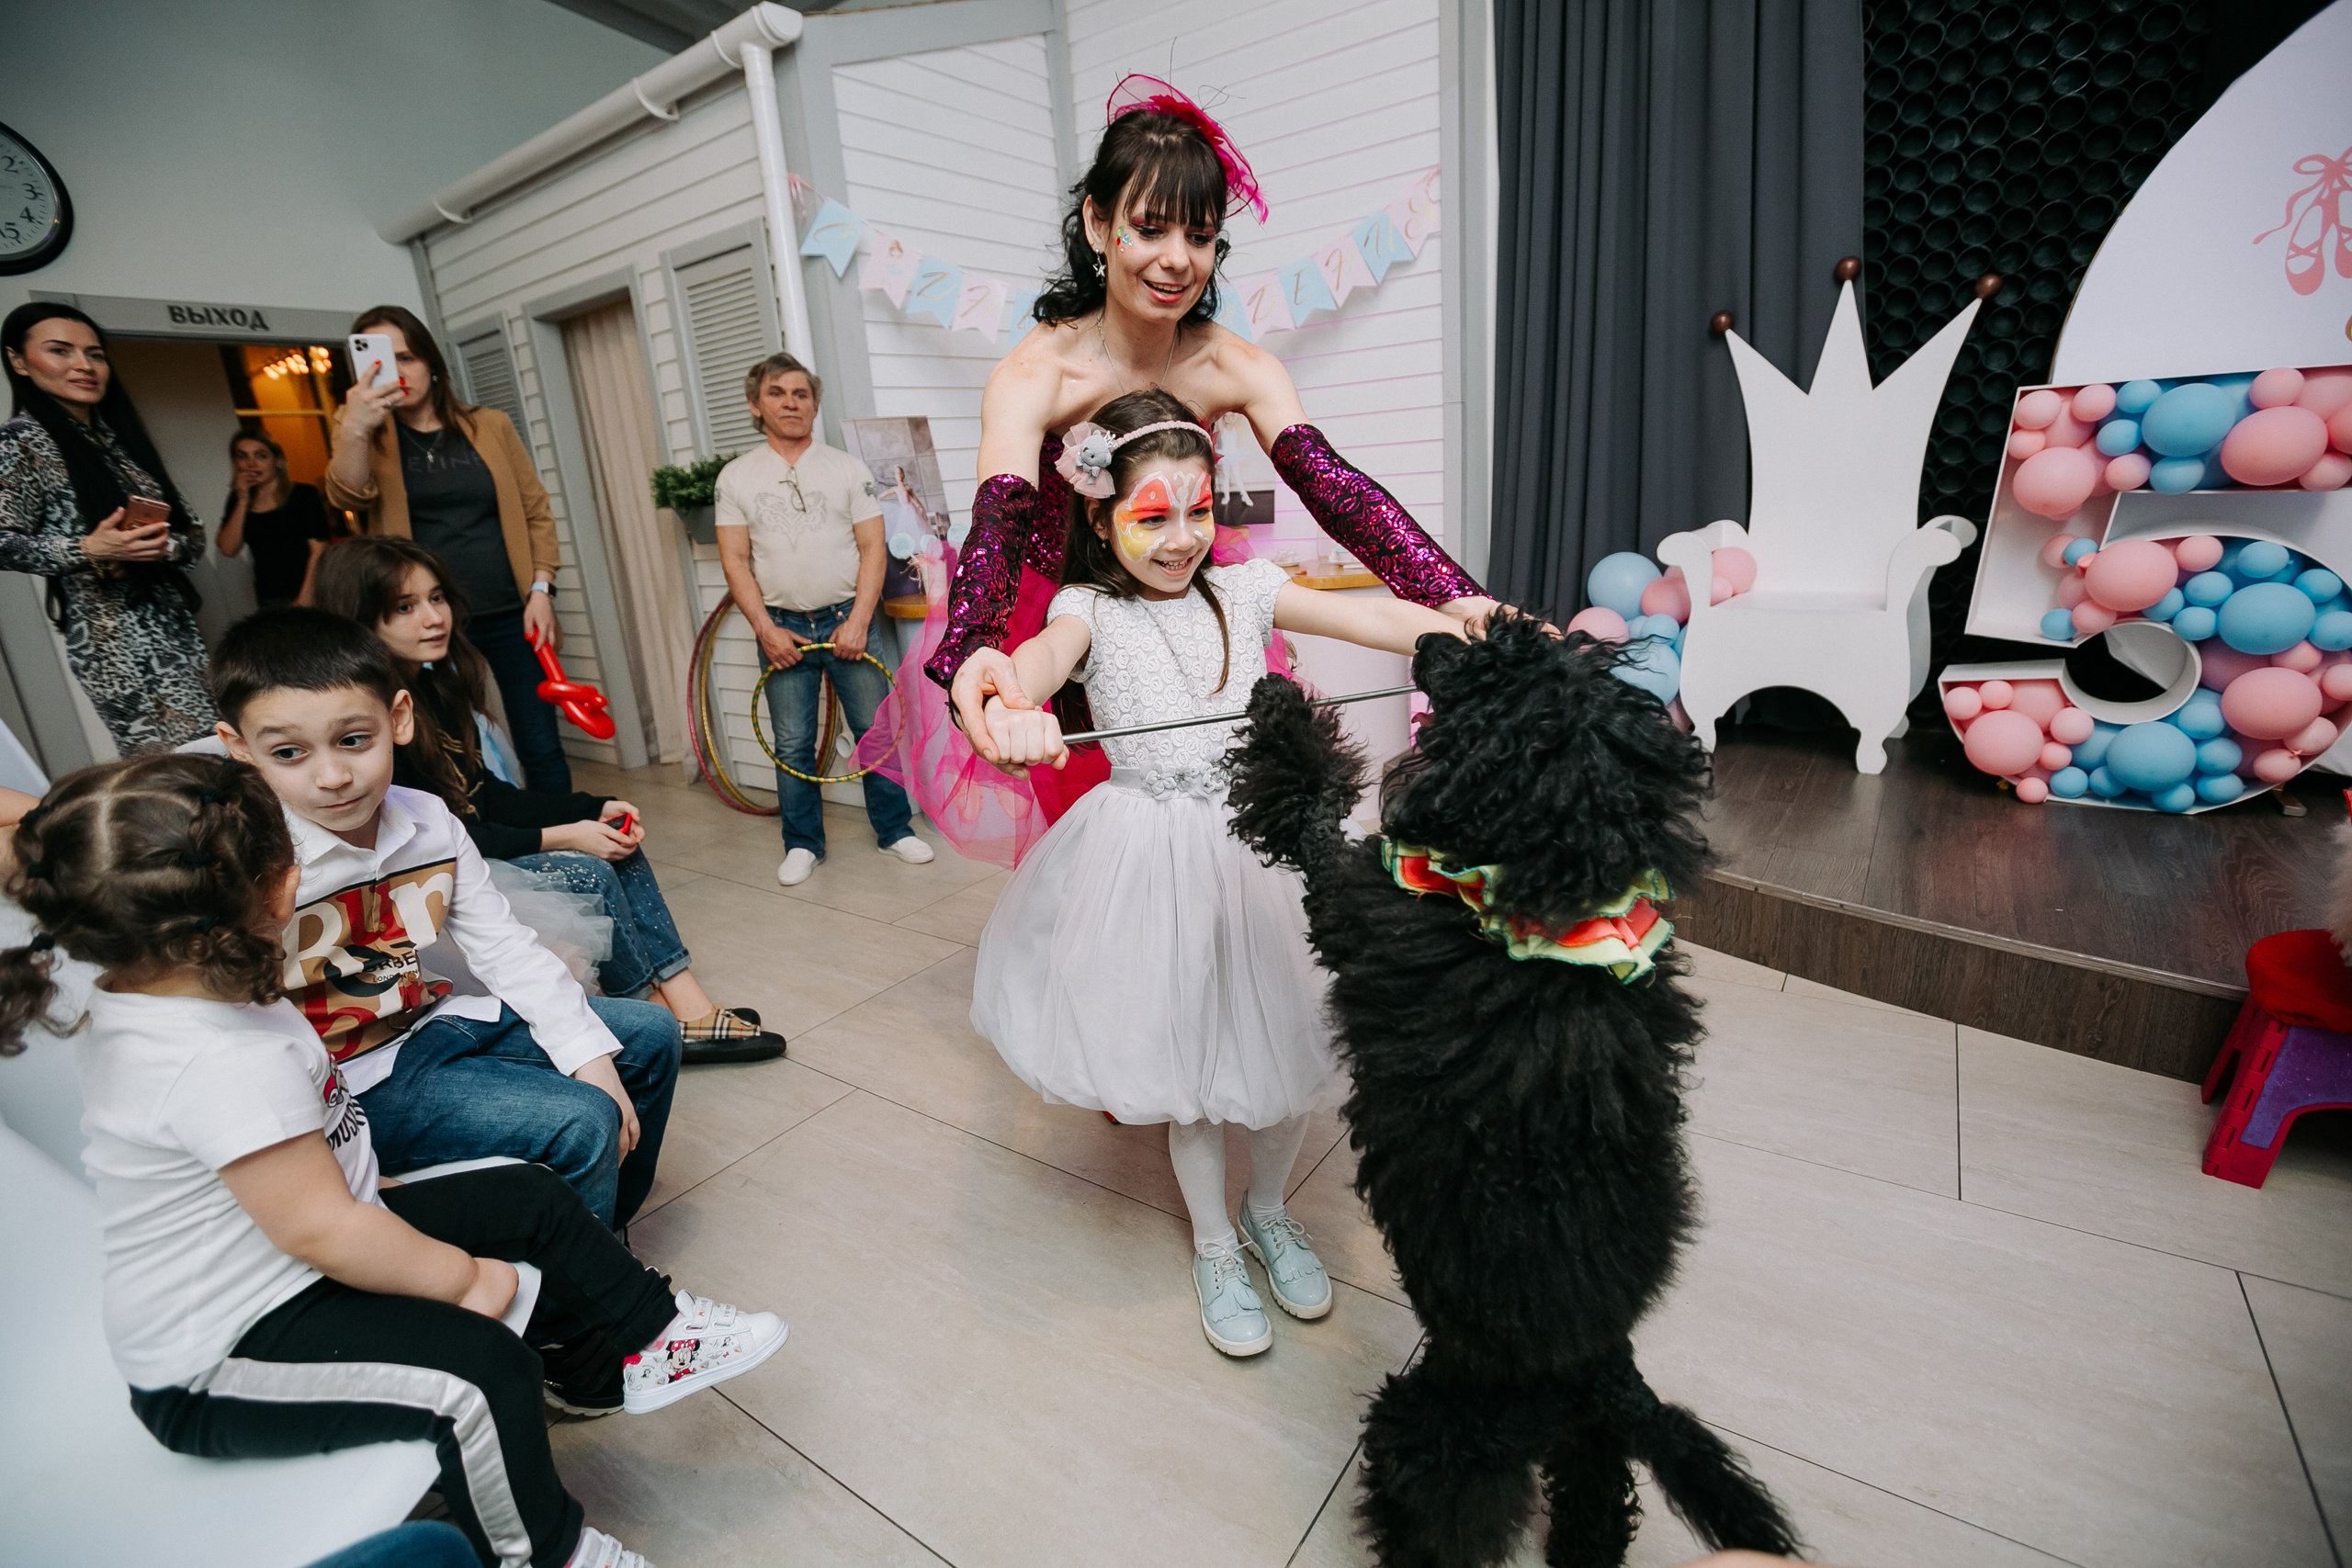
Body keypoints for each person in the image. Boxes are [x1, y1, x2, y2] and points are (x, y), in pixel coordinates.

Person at [0, 751, 786, 1568]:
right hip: (224, 1349)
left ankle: (642, 1336)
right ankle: (550, 1552)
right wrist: (463, 1278)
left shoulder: (178, 983)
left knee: (527, 1195)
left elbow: (305, 1180)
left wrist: (406, 1198)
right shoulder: (213, 1058)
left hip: (291, 1248)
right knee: (482, 1374)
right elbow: (325, 1232)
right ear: (276, 891)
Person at [966, 392, 1466, 1359]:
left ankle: (1268, 1210)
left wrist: (1462, 625)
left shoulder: (1245, 590)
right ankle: (1211, 1243)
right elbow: (1032, 664)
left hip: (1265, 851)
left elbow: (1370, 619)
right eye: (1153, 516)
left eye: (1199, 510)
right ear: (1102, 522)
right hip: (1150, 858)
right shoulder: (1085, 611)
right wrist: (1012, 699)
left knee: (1288, 1051)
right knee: (1190, 1070)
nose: (1183, 536)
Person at [877, 77, 1498, 841]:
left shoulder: (1232, 365)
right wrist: (973, 646)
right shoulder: (1039, 373)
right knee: (1102, 829)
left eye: (1200, 238)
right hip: (1063, 615)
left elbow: (1338, 492)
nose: (1177, 261)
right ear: (1099, 224)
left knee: (1226, 811)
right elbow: (1000, 519)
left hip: (1186, 596)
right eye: (1151, 228)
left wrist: (1462, 600)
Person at [209, 609, 681, 1230]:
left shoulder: (430, 820)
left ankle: (594, 1246)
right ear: (240, 748)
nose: (332, 776)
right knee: (581, 1118)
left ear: (398, 718)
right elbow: (229, 1028)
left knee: (648, 1037)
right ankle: (590, 1312)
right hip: (354, 1083)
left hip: (435, 1019)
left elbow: (505, 946)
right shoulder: (241, 858)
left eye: (354, 739)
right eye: (290, 752)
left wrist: (590, 1059)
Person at [315, 535, 786, 1066]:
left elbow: (487, 797)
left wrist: (589, 807)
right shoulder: (376, 722)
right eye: (405, 607)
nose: (433, 618)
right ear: (362, 620)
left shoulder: (434, 689)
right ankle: (654, 1019)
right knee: (590, 871)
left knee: (615, 837)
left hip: (471, 849)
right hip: (429, 881)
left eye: (437, 597)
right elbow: (447, 836)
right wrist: (567, 835)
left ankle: (686, 1002)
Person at [324, 305, 574, 794]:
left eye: (407, 357)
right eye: (382, 362)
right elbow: (345, 496)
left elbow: (535, 511)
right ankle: (487, 845)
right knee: (459, 742)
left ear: (432, 363)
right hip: (426, 620)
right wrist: (355, 426)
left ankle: (570, 843)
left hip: (512, 612)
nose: (398, 373)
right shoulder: (366, 435)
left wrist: (541, 590)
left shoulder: (491, 425)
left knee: (540, 741)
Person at [714, 352, 934, 887]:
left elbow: (873, 549)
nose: (791, 402)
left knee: (875, 732)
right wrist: (765, 629)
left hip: (845, 620)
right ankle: (803, 845)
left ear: (814, 404)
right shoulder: (736, 477)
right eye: (777, 393)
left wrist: (859, 620)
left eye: (801, 394)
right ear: (755, 405)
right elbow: (735, 560)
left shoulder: (847, 469)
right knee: (791, 744)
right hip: (781, 628)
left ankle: (894, 830)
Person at [0, 302, 215, 754]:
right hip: (112, 643)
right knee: (171, 778)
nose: (84, 365)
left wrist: (160, 548)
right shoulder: (21, 441)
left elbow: (192, 534)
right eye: (61, 351)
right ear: (18, 361)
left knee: (218, 757)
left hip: (175, 629)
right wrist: (89, 548)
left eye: (95, 354)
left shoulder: (119, 440)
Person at [219, 428, 333, 610]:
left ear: (278, 461)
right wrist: (242, 500)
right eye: (243, 456)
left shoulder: (303, 494)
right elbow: (228, 549)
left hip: (315, 592)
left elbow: (319, 550)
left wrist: (305, 599)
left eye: (260, 456)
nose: (251, 464)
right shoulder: (237, 499)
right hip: (270, 597)